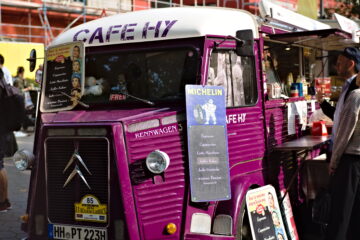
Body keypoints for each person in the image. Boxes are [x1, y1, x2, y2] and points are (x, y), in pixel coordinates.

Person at [324, 74, 360, 240]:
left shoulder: (356, 96)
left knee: (341, 213)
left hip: (351, 162)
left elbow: (344, 133)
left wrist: (334, 161)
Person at [316, 47, 360, 147]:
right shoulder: (347, 86)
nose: (336, 66)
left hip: (348, 148)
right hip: (338, 145)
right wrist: (322, 102)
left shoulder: (356, 88)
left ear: (350, 64)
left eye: (339, 63)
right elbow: (338, 116)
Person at [0, 68, 11, 212]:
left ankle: (2, 202)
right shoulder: (4, 87)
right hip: (4, 130)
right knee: (1, 165)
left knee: (0, 166)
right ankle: (5, 200)